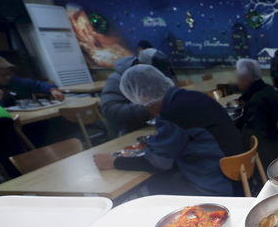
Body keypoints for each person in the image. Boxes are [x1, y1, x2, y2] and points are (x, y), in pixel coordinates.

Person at [93, 65, 244, 196]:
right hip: (238, 176)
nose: (147, 110)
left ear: (145, 98)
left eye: (143, 105)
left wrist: (114, 162)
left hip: (218, 185)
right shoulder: (192, 96)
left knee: (157, 182)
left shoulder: (171, 113)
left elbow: (159, 162)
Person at [100, 48, 173, 137]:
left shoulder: (154, 74)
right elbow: (108, 109)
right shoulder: (116, 79)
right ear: (141, 64)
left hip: (156, 125)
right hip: (129, 130)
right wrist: (146, 109)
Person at [236, 58, 278, 167]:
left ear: (246, 79)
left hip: (272, 153)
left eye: (238, 78)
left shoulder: (257, 100)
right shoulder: (269, 90)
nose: (237, 82)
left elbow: (252, 135)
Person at [0, 54, 65, 107]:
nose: (8, 77)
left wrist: (52, 90)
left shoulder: (14, 81)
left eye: (9, 73)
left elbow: (36, 84)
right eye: (2, 74)